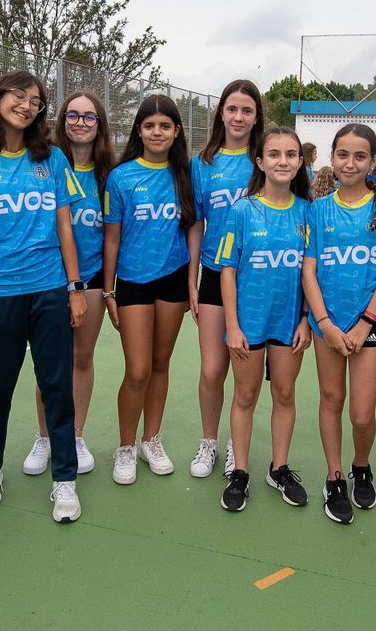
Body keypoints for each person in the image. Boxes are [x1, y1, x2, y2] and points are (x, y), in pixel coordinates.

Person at [0, 73, 87, 523]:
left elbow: (64, 227)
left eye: (36, 101)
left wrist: (74, 288)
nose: (27, 105)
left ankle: (64, 480)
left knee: (57, 387)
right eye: (19, 95)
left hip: (49, 289)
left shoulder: (50, 159)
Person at [302, 124, 376, 523]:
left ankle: (362, 464)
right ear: (332, 157)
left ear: (373, 161)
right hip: (327, 324)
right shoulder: (317, 208)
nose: (350, 163)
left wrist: (366, 323)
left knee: (362, 414)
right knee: (332, 400)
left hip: (369, 326)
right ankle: (335, 475)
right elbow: (308, 272)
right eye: (343, 154)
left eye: (360, 156)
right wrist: (324, 323)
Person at [216, 127, 314, 511]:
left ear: (300, 161)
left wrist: (306, 319)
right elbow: (227, 270)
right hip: (249, 323)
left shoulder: (309, 211)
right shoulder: (242, 210)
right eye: (274, 154)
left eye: (291, 154)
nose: (282, 161)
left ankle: (279, 467)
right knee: (245, 395)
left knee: (285, 394)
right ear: (260, 161)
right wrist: (232, 325)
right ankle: (239, 471)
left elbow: (312, 272)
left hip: (289, 323)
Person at [103, 95, 198, 484]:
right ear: (138, 130)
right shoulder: (121, 176)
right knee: (138, 369)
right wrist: (109, 291)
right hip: (132, 282)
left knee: (161, 364)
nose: (157, 132)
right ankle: (125, 447)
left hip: (173, 280)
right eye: (149, 125)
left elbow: (194, 227)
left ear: (176, 132)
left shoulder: (186, 175)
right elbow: (111, 238)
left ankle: (150, 439)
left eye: (165, 126)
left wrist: (193, 281)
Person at [25, 91, 114, 477]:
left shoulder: (108, 173)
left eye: (89, 117)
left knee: (81, 358)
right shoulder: (41, 164)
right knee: (49, 363)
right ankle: (45, 436)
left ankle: (75, 434)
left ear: (99, 125)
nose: (80, 122)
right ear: (62, 119)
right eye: (73, 115)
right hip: (46, 276)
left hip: (90, 277)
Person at [189, 80, 265, 478]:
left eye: (247, 110)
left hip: (259, 279)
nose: (238, 117)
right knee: (212, 369)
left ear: (257, 117)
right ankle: (209, 442)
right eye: (232, 109)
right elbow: (197, 225)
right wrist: (192, 279)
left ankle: (238, 444)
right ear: (221, 112)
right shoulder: (203, 162)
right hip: (216, 276)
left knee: (244, 371)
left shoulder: (266, 158)